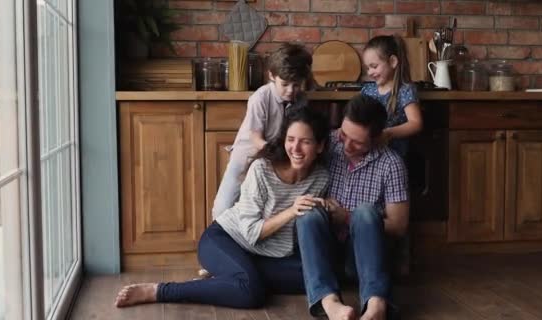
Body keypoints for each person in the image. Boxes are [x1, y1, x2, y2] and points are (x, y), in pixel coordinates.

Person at [115, 107, 330, 309]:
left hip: (268, 256)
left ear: (320, 146)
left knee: (314, 277)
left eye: (306, 142)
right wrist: (291, 211)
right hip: (225, 239)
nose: (296, 148)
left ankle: (229, 276)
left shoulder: (321, 178)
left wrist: (331, 209)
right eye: (291, 140)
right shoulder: (262, 170)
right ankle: (160, 291)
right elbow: (251, 232)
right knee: (250, 292)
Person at [296, 95, 409, 320]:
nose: (346, 145)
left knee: (365, 212)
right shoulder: (327, 144)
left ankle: (376, 306)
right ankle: (331, 304)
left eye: (357, 141)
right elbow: (292, 158)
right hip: (325, 254)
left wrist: (347, 217)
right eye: (344, 134)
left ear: (376, 138)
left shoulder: (391, 164)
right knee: (307, 214)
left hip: (363, 259)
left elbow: (398, 226)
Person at [211, 43, 313, 219]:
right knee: (223, 208)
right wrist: (273, 150)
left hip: (271, 161)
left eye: (296, 85)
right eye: (285, 84)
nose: (290, 91)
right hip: (246, 159)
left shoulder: (301, 100)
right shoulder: (260, 98)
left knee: (259, 210)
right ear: (272, 75)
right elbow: (256, 138)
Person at [361, 35, 423, 158]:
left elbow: (416, 123)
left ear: (393, 62)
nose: (369, 73)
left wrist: (388, 134)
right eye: (367, 68)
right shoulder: (367, 90)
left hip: (396, 155)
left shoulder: (405, 90)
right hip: (370, 153)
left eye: (374, 66)